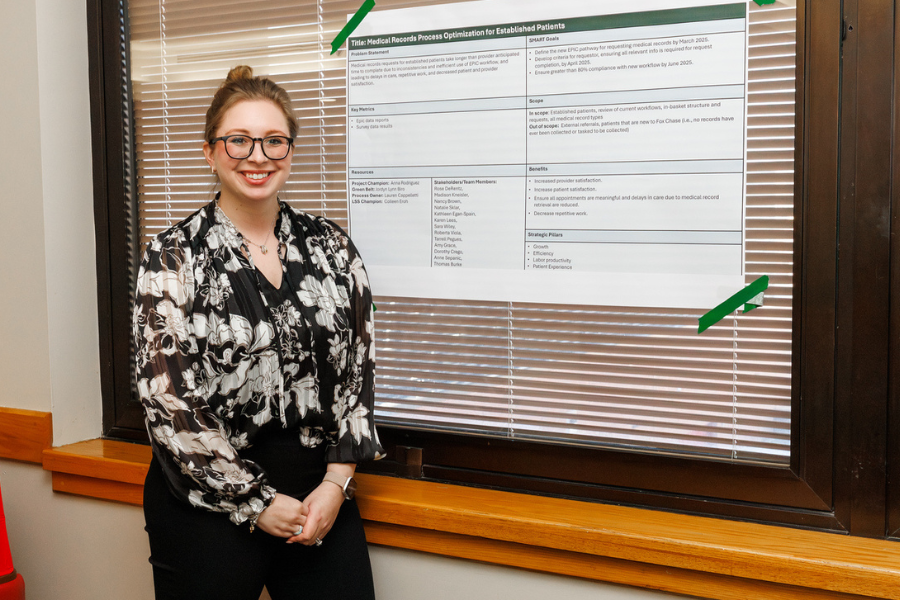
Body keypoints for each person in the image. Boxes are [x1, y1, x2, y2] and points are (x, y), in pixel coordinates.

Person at [133, 65, 384, 600]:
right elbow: (168, 399)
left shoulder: (333, 249)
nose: (258, 156)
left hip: (318, 495)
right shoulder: (173, 256)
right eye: (239, 140)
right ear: (210, 151)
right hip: (206, 503)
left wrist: (336, 485)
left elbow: (357, 374)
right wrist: (257, 501)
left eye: (274, 141)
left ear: (290, 152)